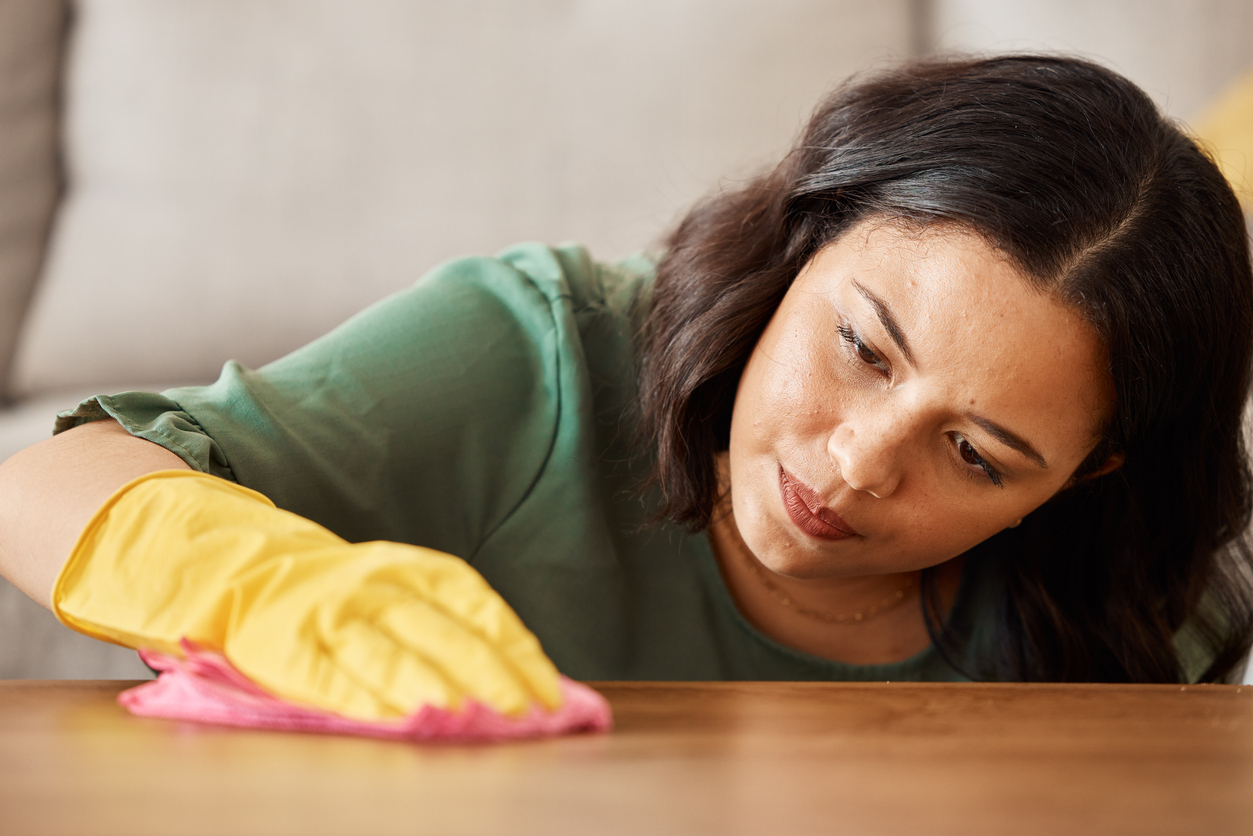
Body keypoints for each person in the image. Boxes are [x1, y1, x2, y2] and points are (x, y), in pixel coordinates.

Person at [1, 54, 1250, 720]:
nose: (861, 459)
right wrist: (267, 587)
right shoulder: (539, 347)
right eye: (861, 348)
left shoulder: (1141, 590)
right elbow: (40, 483)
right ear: (806, 235)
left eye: (975, 454)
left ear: (1088, 475)